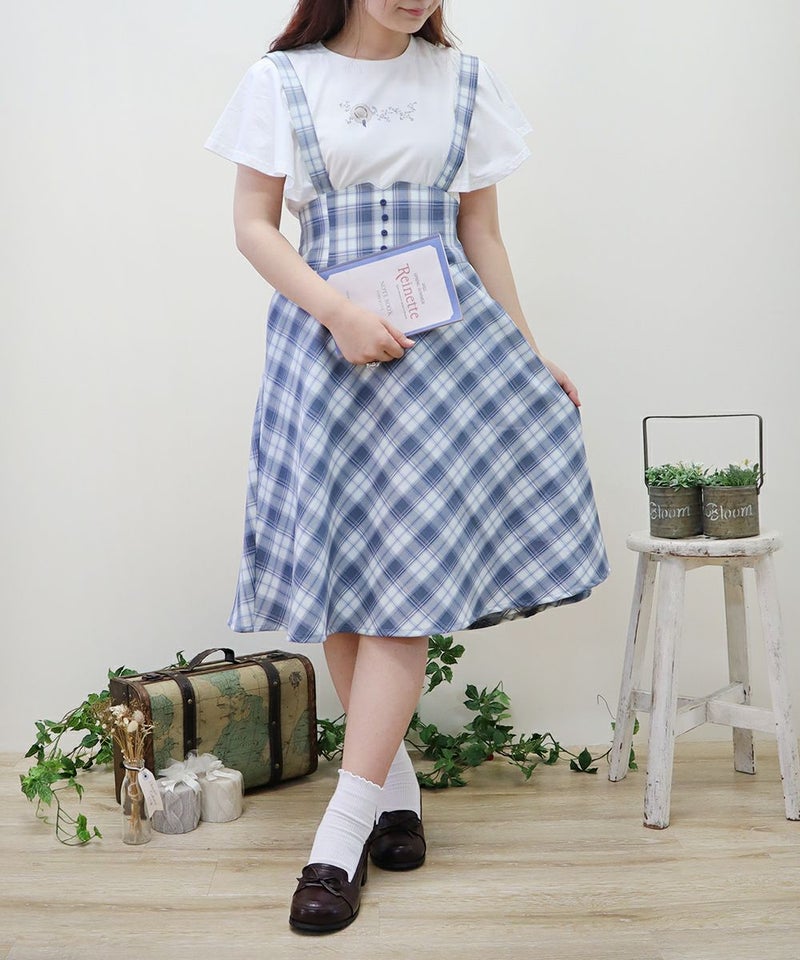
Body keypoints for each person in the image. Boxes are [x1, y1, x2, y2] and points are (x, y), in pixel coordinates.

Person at [206, 0, 609, 935]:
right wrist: (340, 314)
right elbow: (254, 225)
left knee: (405, 589)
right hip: (327, 348)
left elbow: (482, 235)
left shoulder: (462, 81)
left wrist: (527, 351)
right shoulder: (284, 80)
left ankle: (338, 838)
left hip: (442, 359)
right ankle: (394, 792)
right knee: (347, 580)